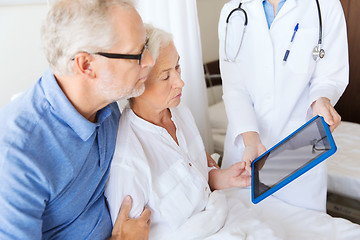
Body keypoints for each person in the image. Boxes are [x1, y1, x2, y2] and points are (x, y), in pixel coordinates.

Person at [0, 0, 154, 239]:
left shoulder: (107, 104)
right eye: (137, 54)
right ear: (86, 65)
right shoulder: (17, 153)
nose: (149, 61)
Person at [105, 25, 252, 240]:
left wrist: (223, 177)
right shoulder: (128, 159)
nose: (180, 82)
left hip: (222, 217)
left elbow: (195, 174)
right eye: (166, 77)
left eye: (178, 67)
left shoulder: (179, 111)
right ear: (136, 85)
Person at [218, 0, 348, 211]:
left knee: (302, 229)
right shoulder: (233, 12)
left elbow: (329, 76)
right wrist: (251, 140)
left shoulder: (325, 6)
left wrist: (321, 99)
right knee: (244, 223)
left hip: (300, 147)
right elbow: (234, 88)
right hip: (247, 149)